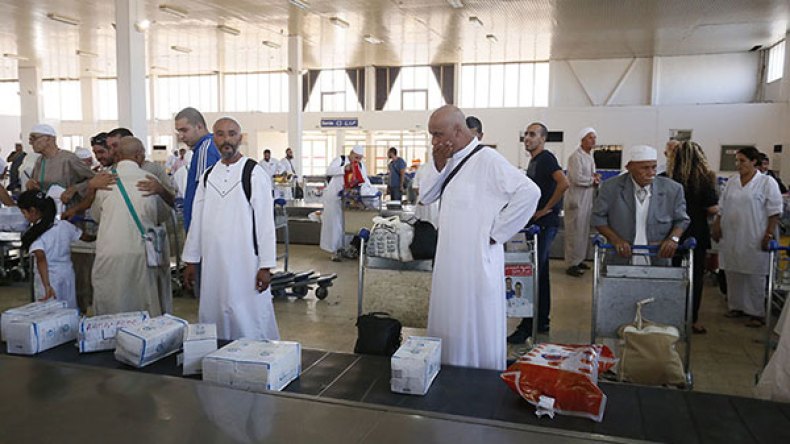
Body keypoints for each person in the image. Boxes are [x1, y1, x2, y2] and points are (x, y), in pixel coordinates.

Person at [419, 105, 539, 370]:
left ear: (458, 131)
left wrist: (496, 233)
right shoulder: (448, 160)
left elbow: (530, 193)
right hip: (449, 260)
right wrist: (438, 164)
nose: (434, 141)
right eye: (432, 135)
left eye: (438, 134)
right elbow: (425, 196)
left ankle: (478, 375)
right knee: (450, 316)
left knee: (474, 320)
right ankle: (449, 369)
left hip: (477, 260)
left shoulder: (488, 160)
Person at [182, 117, 279, 341]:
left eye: (232, 134)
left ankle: (254, 355)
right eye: (220, 134)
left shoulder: (253, 173)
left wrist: (266, 266)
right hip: (213, 263)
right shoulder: (207, 176)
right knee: (214, 312)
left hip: (246, 264)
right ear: (213, 138)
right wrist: (191, 260)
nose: (226, 139)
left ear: (240, 138)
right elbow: (197, 220)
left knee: (248, 316)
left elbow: (265, 223)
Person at [91, 137, 168, 316]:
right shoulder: (150, 180)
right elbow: (162, 215)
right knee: (142, 303)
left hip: (110, 253)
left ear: (117, 156)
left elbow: (96, 216)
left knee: (112, 304)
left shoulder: (104, 181)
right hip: (142, 253)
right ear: (139, 156)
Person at [508, 122, 569, 344]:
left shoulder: (546, 158)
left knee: (533, 274)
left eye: (533, 134)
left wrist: (546, 209)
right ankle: (542, 320)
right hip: (538, 224)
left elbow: (563, 183)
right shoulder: (534, 161)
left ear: (543, 139)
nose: (528, 138)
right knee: (541, 275)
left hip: (544, 224)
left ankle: (527, 325)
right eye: (526, 134)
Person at [713, 147, 782, 328]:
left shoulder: (766, 182)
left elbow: (774, 211)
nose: (738, 164)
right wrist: (717, 224)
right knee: (733, 271)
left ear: (754, 162)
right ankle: (736, 307)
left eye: (742, 160)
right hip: (731, 234)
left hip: (754, 234)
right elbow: (722, 206)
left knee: (754, 274)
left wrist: (768, 233)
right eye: (737, 160)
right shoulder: (732, 181)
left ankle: (756, 313)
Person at [591, 145, 689, 265]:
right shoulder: (611, 188)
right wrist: (615, 240)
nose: (651, 173)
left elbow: (682, 220)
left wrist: (673, 239)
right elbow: (597, 217)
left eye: (654, 167)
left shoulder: (672, 189)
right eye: (645, 168)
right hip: (619, 258)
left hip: (658, 257)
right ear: (629, 167)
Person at [666, 141, 719, 334]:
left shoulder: (667, 178)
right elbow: (712, 208)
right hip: (696, 231)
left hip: (671, 232)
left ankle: (669, 315)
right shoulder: (705, 178)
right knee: (695, 277)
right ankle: (692, 319)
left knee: (670, 274)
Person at [18, 190, 92, 310]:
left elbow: (41, 259)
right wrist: (100, 235)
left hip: (48, 277)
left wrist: (47, 285)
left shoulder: (36, 234)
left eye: (24, 213)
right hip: (67, 274)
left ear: (32, 211)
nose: (24, 217)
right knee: (69, 309)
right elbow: (85, 237)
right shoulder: (64, 225)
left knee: (49, 313)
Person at [26, 124, 94, 213]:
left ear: (49, 139)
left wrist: (75, 189)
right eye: (30, 139)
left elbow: (93, 179)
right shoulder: (40, 161)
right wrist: (31, 184)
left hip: (68, 213)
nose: (30, 143)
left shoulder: (68, 158)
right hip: (47, 212)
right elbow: (37, 185)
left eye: (33, 138)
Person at [320, 145, 372, 261]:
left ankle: (345, 249)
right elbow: (329, 171)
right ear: (351, 153)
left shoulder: (360, 165)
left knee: (347, 224)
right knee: (335, 225)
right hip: (334, 198)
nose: (358, 160)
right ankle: (334, 251)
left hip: (350, 199)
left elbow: (365, 180)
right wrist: (344, 169)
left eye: (360, 158)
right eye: (356, 157)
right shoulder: (341, 160)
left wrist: (370, 191)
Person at [175, 107, 221, 232]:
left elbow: (202, 194)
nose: (181, 136)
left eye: (184, 130)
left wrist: (198, 232)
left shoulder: (205, 150)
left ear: (199, 126)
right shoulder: (205, 148)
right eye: (179, 131)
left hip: (202, 228)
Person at [564, 127, 601, 277]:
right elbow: (576, 178)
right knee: (574, 233)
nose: (593, 140)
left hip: (587, 199)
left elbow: (589, 175)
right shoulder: (575, 157)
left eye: (594, 138)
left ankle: (579, 260)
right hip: (576, 200)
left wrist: (595, 178)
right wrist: (593, 180)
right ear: (582, 139)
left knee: (583, 232)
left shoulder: (589, 157)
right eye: (590, 137)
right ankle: (571, 264)